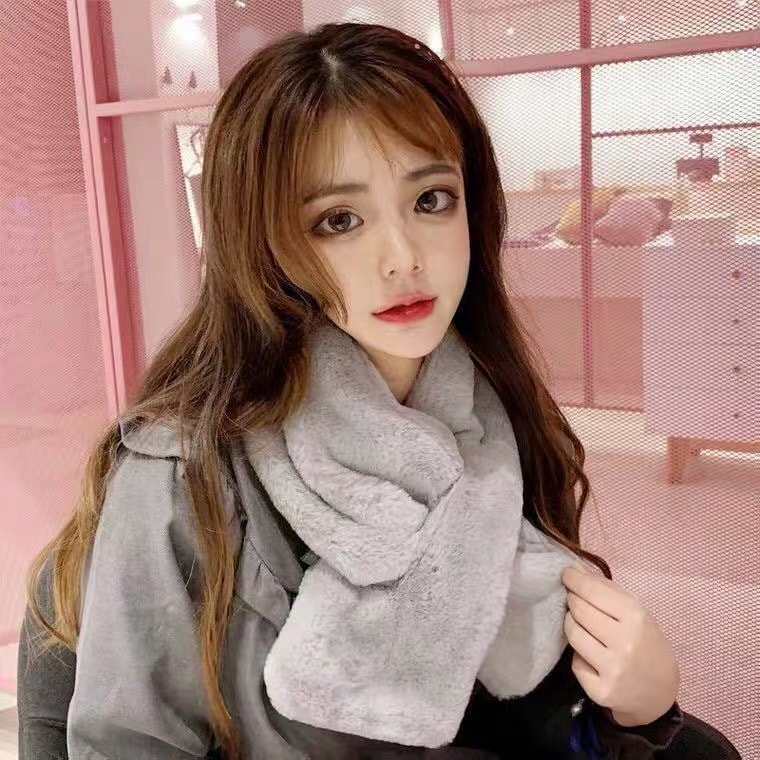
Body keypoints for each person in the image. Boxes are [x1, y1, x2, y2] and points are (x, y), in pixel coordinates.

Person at [19, 22, 684, 760]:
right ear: (265, 245)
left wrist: (645, 709)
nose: (402, 257)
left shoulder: (496, 422)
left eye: (431, 199)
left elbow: (522, 717)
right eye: (339, 220)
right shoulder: (185, 474)